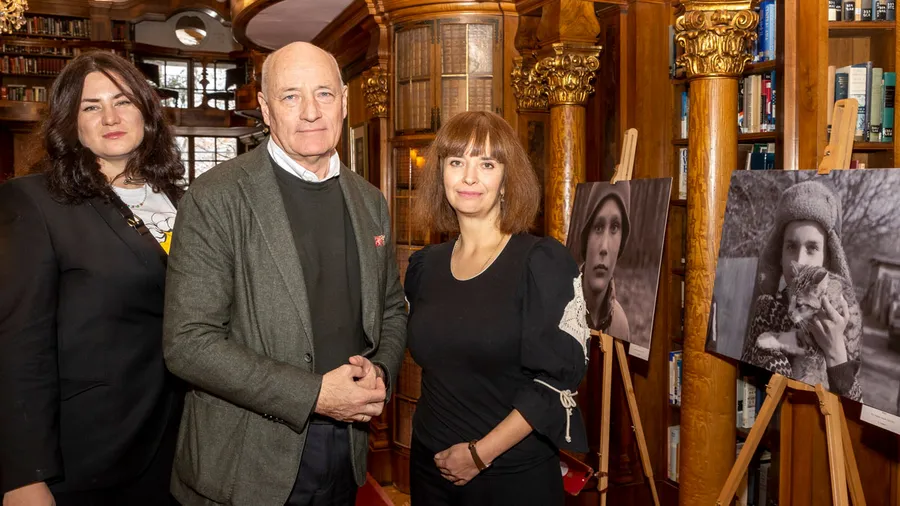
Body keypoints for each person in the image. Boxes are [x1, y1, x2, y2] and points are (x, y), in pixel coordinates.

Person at [162, 41, 407, 506]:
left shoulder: (370, 200)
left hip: (346, 447)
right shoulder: (215, 197)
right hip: (245, 459)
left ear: (344, 101)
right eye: (291, 96)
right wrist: (314, 394)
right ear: (266, 109)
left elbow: (391, 308)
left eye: (324, 94)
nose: (311, 111)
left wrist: (379, 372)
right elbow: (188, 343)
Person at [0, 51, 185, 505]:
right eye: (90, 106)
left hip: (182, 444)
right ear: (70, 122)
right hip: (87, 454)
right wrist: (24, 475)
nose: (109, 117)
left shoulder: (185, 200)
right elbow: (18, 343)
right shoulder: (33, 201)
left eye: (122, 101)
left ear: (146, 110)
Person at [404, 110, 590, 506]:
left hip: (508, 475)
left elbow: (556, 384)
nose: (469, 177)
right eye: (457, 162)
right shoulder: (426, 265)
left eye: (486, 164)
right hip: (427, 467)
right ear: (442, 176)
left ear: (507, 179)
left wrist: (478, 454)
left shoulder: (542, 262)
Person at [741, 180, 862, 399]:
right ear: (779, 252)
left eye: (812, 248)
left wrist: (837, 354)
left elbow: (856, 411)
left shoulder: (844, 316)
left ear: (829, 255)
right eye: (791, 246)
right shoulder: (767, 311)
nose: (799, 260)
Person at [578, 184, 631, 339]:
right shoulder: (563, 310)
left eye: (614, 228)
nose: (604, 247)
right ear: (586, 238)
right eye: (598, 227)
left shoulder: (620, 325)